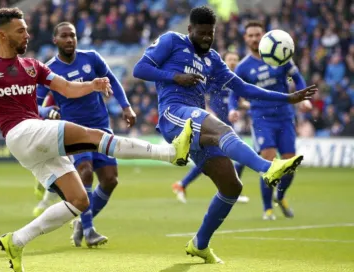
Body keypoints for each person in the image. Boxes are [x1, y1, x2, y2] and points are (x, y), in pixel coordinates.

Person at [0, 8, 193, 272]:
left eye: (26, 29)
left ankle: (16, 241)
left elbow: (67, 88)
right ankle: (170, 154)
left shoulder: (32, 65)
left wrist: (93, 85)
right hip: (21, 132)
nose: (27, 35)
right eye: (21, 31)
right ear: (2, 35)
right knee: (95, 137)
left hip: (30, 142)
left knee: (79, 200)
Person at [133, 5, 316, 264]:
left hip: (197, 125)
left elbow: (244, 88)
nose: (207, 37)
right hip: (173, 116)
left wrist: (287, 97)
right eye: (202, 33)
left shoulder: (213, 60)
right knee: (222, 129)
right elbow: (139, 69)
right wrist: (175, 77)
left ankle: (200, 244)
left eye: (211, 33)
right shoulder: (171, 41)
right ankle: (267, 168)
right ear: (190, 30)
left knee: (232, 186)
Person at [33, 22, 136, 248]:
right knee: (86, 172)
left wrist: (126, 106)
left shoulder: (91, 58)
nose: (69, 39)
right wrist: (47, 111)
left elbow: (113, 80)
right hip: (72, 130)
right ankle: (89, 230)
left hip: (101, 126)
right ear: (55, 40)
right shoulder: (48, 70)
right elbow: (34, 106)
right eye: (64, 36)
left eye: (73, 35)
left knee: (110, 180)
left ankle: (82, 222)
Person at [228, 21, 312, 220]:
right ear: (245, 39)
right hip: (261, 118)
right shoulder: (243, 67)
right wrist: (232, 109)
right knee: (269, 161)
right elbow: (233, 94)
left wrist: (303, 98)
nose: (255, 38)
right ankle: (267, 209)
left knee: (290, 163)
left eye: (258, 34)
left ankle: (280, 196)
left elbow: (297, 78)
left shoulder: (282, 56)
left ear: (264, 35)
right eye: (250, 35)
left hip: (285, 116)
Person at [171, 51, 250, 204]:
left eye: (235, 59)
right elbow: (202, 94)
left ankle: (183, 184)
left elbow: (234, 101)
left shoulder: (235, 81)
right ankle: (231, 191)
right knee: (232, 157)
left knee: (215, 159)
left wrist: (245, 106)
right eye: (230, 59)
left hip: (228, 126)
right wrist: (208, 111)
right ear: (225, 61)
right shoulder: (217, 78)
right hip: (213, 124)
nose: (233, 62)